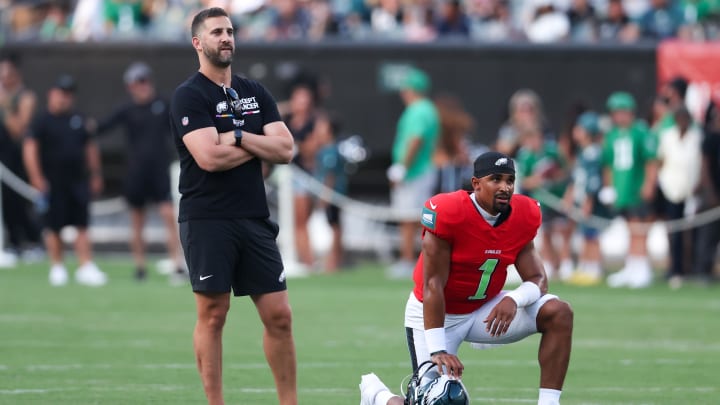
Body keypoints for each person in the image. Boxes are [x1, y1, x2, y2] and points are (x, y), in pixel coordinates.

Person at [361, 151, 574, 405]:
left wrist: (514, 299)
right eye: (496, 179)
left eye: (509, 180)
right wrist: (438, 349)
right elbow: (433, 285)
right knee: (437, 401)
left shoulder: (523, 213)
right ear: (476, 184)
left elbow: (539, 279)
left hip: (486, 308)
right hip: (438, 314)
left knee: (559, 312)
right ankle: (377, 395)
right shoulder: (449, 212)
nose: (505, 187)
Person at [169, 7, 296, 405]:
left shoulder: (254, 91)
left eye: (229, 30)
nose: (226, 37)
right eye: (216, 32)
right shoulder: (189, 95)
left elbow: (287, 149)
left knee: (280, 315)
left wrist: (237, 136)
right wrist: (257, 141)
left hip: (254, 218)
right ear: (198, 43)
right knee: (213, 314)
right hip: (207, 219)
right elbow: (208, 158)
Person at [95, 61, 186, 281]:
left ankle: (177, 264)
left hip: (159, 171)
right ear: (131, 86)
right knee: (137, 220)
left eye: (145, 81)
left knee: (167, 215)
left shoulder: (163, 104)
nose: (143, 86)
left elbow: (181, 127)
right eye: (139, 82)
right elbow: (102, 126)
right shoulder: (126, 109)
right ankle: (140, 266)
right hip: (136, 172)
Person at [23, 75, 108, 287]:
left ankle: (85, 265)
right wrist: (36, 177)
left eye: (69, 94)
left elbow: (90, 148)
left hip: (78, 180)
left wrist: (96, 173)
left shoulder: (79, 119)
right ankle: (57, 266)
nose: (65, 98)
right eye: (61, 93)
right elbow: (30, 149)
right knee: (54, 225)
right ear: (51, 94)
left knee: (82, 224)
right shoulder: (41, 121)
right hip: (52, 181)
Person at [601, 91, 658, 289]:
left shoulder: (640, 131)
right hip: (621, 189)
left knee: (639, 226)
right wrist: (609, 187)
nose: (619, 117)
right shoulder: (612, 135)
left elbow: (651, 160)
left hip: (636, 186)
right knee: (629, 226)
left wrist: (649, 184)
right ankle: (632, 266)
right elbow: (608, 164)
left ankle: (641, 267)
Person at [386, 67, 440, 278]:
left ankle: (408, 260)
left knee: (410, 217)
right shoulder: (426, 109)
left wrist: (402, 168)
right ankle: (420, 259)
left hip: (415, 172)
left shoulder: (419, 110)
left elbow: (415, 140)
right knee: (415, 217)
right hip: (419, 170)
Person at [0, 52, 43, 260]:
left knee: (19, 203)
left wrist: (6, 104)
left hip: (17, 159)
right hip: (2, 161)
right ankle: (12, 243)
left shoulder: (25, 97)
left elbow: (18, 130)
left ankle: (32, 241)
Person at [656, 107, 702, 288]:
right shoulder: (667, 136)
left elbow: (698, 163)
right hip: (670, 189)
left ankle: (689, 268)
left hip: (691, 190)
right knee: (674, 232)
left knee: (691, 232)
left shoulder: (697, 137)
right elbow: (661, 160)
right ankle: (674, 269)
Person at [562, 111, 606, 285]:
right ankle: (586, 265)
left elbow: (593, 181)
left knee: (592, 234)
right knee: (585, 233)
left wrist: (588, 202)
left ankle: (594, 267)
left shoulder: (594, 154)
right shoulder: (583, 152)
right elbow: (576, 179)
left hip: (590, 203)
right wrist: (569, 196)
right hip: (581, 200)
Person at [311, 112, 346, 272]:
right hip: (328, 195)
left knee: (334, 227)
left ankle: (333, 262)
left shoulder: (331, 150)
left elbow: (330, 176)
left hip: (333, 196)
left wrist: (325, 195)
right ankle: (332, 261)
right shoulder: (323, 150)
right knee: (333, 226)